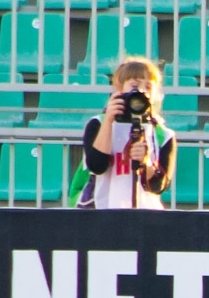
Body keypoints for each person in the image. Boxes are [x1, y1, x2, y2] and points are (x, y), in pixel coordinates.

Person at [74, 57, 176, 209]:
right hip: (107, 210)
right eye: (134, 86)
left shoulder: (163, 134)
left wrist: (146, 162)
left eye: (148, 87)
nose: (141, 92)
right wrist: (109, 120)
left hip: (146, 213)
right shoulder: (98, 123)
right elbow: (97, 165)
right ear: (119, 88)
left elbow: (159, 186)